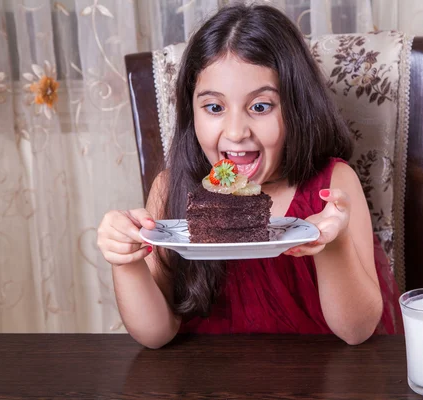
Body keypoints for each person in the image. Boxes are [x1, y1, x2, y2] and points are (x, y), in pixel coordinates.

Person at [97, 3, 403, 349]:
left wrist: (334, 242)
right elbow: (154, 335)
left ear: (297, 108)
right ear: (191, 111)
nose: (236, 131)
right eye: (214, 107)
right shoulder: (170, 189)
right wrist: (125, 260)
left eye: (260, 106)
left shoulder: (331, 187)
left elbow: (356, 330)